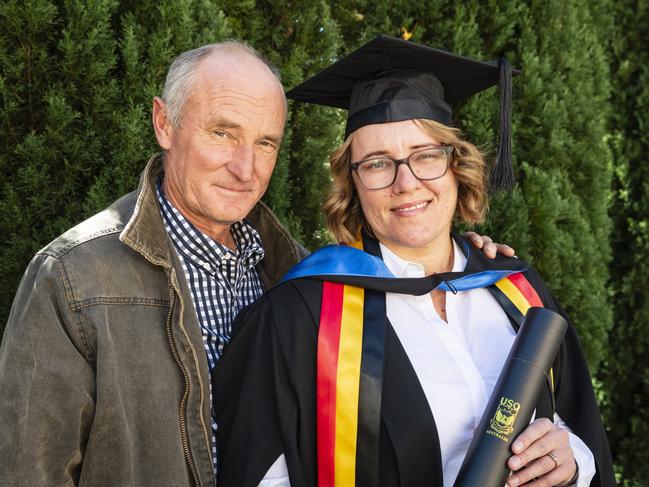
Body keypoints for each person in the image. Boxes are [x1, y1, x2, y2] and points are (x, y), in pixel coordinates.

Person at [0, 39, 505, 486]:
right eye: (223, 132)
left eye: (265, 143)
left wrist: (460, 263)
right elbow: (29, 471)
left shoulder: (307, 284)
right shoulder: (75, 279)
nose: (245, 168)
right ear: (164, 123)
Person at [213, 36, 615, 487]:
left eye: (425, 156)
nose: (406, 182)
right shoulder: (300, 316)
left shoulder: (518, 291)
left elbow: (580, 429)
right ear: (353, 184)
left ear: (456, 166)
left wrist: (573, 463)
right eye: (378, 163)